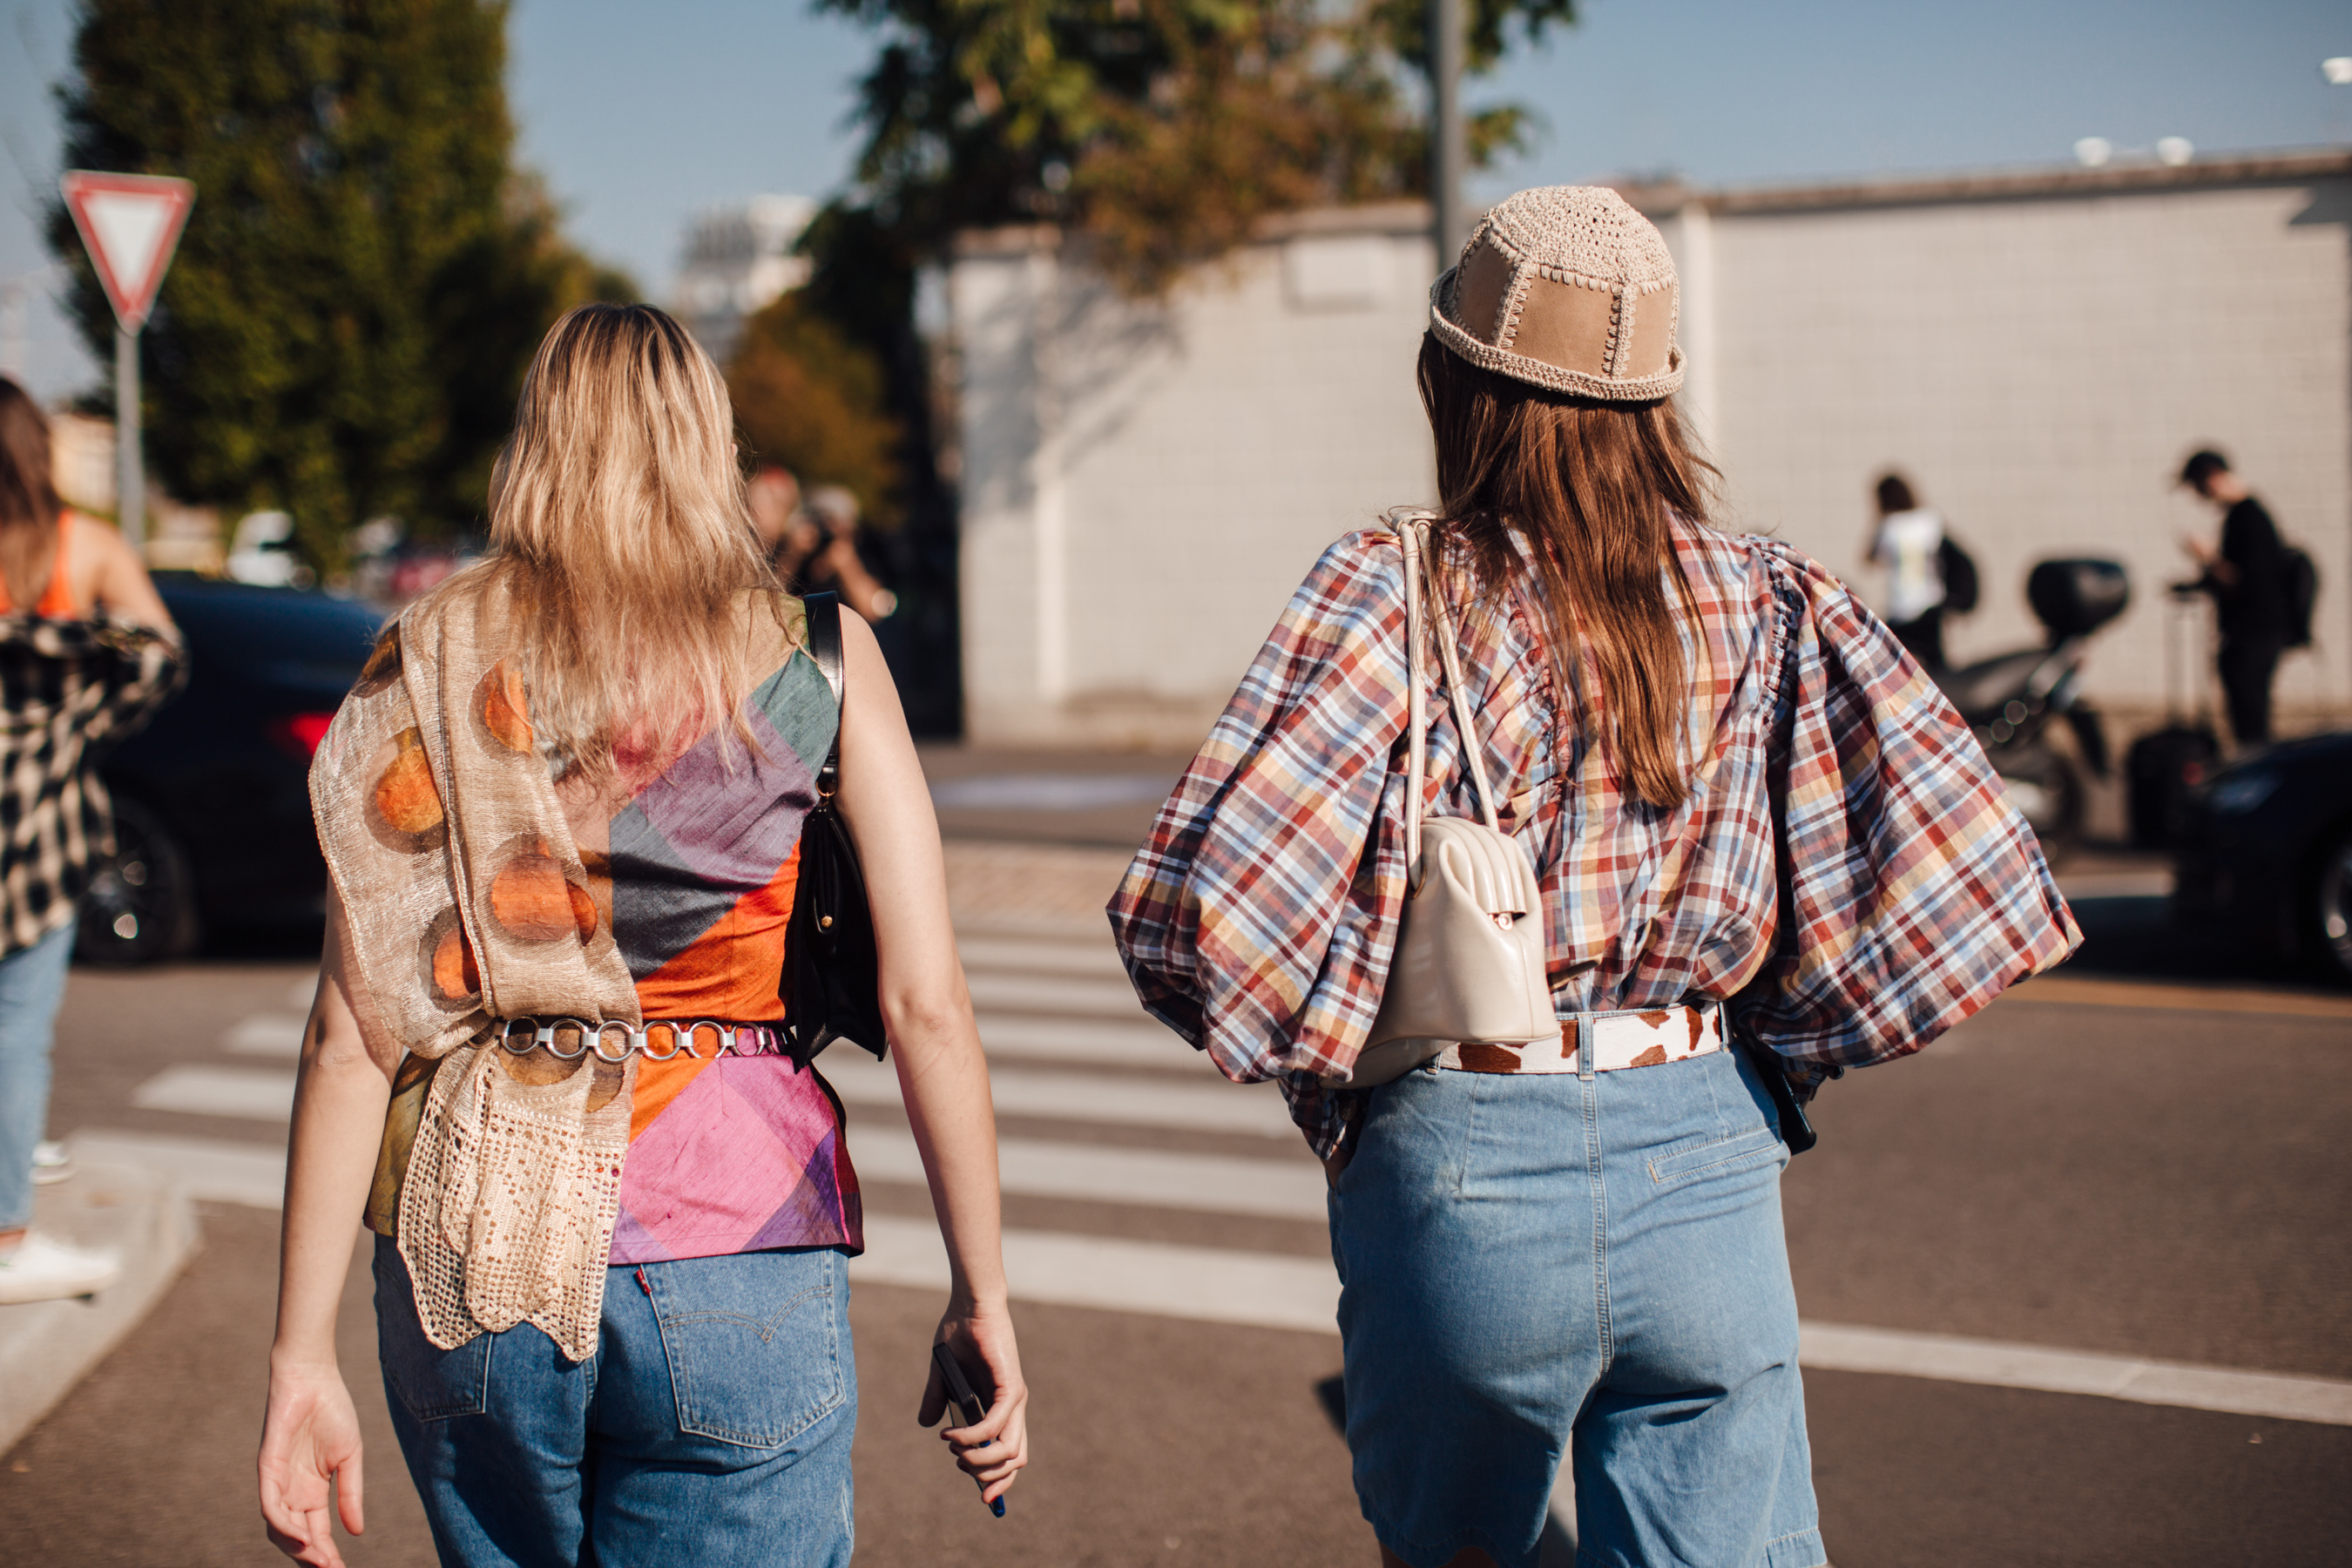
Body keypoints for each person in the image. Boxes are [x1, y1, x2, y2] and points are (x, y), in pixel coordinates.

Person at [1109, 187, 2078, 1568]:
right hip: (1705, 1142)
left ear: (1455, 382)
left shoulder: (1392, 589)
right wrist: (1767, 1059)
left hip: (1468, 1162)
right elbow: (1944, 880)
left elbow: (1200, 915)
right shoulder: (1770, 595)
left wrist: (1338, 1092)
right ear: (1658, 403)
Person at [257, 306, 1025, 1568]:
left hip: (476, 1239)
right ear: (705, 442)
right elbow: (925, 1006)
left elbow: (355, 1031)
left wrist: (300, 1360)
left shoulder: (430, 655)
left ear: (534, 443)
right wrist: (980, 1292)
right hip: (733, 1231)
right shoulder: (816, 661)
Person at [0, 377, 183, 1305]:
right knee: (16, 1033)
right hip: (35, 833)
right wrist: (87, 712)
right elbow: (161, 655)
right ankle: (6, 1236)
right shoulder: (79, 550)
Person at [2177, 448, 2292, 746]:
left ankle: (2258, 780)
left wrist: (2207, 558)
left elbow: (2244, 582)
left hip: (2253, 635)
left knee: (2251, 721)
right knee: (2249, 717)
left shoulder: (2248, 518)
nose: (2198, 495)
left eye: (2197, 486)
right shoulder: (2244, 516)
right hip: (2253, 634)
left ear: (2211, 478)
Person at [1863, 471, 1950, 667]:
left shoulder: (1889, 525)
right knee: (1937, 663)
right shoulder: (1929, 520)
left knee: (1894, 665)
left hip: (1901, 605)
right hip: (1930, 601)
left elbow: (1869, 558)